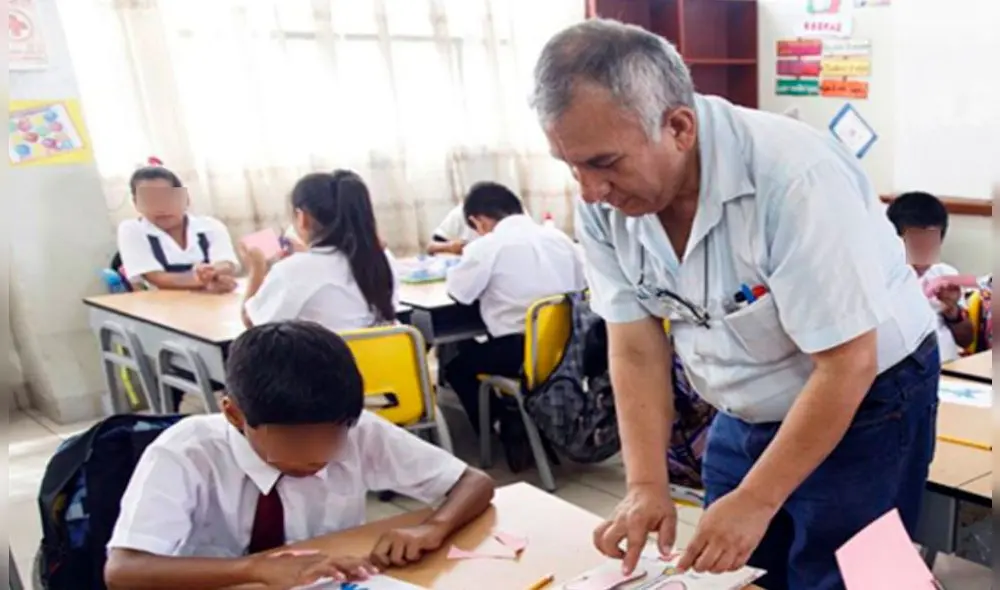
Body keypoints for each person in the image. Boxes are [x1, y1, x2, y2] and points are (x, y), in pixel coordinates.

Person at [531, 20, 937, 590]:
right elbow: (636, 345)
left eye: (603, 163)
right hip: (744, 403)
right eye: (568, 164)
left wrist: (758, 497)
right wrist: (646, 485)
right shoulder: (605, 203)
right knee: (733, 567)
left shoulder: (795, 176)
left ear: (678, 127)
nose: (588, 190)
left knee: (848, 574)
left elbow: (848, 362)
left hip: (871, 394)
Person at [104, 321, 495, 590]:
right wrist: (255, 568)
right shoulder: (186, 452)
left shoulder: (358, 430)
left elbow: (474, 482)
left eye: (334, 435)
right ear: (235, 414)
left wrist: (433, 527)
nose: (319, 454)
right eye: (293, 441)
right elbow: (123, 571)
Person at [444, 182, 586, 470]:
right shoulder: (559, 239)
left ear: (478, 220)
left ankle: (502, 425)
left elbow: (459, 293)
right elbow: (583, 289)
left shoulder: (486, 246)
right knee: (471, 350)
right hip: (570, 348)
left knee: (455, 367)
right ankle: (517, 418)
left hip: (518, 352)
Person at [241, 170, 400, 331]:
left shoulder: (293, 271)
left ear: (303, 218)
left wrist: (257, 268)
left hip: (328, 356)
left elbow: (254, 325)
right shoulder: (383, 259)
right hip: (384, 355)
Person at [117, 161, 238, 292]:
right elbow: (156, 277)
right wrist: (202, 280)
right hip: (161, 306)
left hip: (212, 301)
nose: (161, 208)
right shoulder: (132, 230)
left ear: (185, 198)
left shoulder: (211, 226)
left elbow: (225, 263)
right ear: (136, 204)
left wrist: (215, 272)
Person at [886, 191, 973, 361]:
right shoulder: (884, 280)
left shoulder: (945, 275)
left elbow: (966, 341)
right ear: (895, 240)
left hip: (950, 370)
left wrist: (953, 311)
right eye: (916, 242)